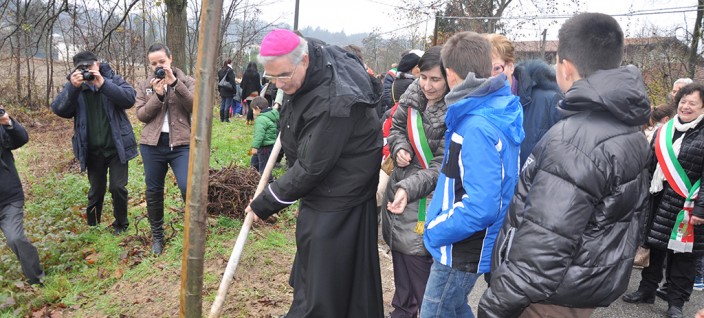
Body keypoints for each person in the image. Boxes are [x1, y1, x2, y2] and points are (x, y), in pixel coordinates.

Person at [479, 13, 652, 318]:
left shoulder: (573, 140)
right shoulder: (627, 126)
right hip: (583, 286)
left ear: (565, 67)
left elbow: (543, 248)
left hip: (548, 298)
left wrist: (494, 305)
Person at [245, 29, 384, 317]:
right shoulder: (315, 60)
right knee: (321, 267)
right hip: (331, 185)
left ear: (304, 60)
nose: (279, 84)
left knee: (326, 274)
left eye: (284, 76)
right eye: (272, 78)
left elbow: (311, 167)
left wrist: (264, 203)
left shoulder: (332, 102)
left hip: (341, 191)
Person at [420, 32, 524, 318]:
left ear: (451, 76)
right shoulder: (488, 108)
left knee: (435, 312)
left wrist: (436, 229)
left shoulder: (476, 125)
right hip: (466, 242)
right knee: (454, 307)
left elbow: (482, 205)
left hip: (460, 245)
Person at [623, 83, 704, 318]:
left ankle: (676, 302)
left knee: (682, 255)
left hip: (688, 204)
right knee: (655, 245)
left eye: (692, 103)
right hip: (658, 197)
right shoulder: (664, 130)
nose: (686, 107)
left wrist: (701, 208)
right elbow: (650, 164)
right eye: (683, 101)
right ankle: (646, 289)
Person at [382, 46, 449, 318]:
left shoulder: (454, 110)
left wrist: (408, 188)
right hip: (401, 187)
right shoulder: (411, 96)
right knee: (399, 254)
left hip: (425, 195)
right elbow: (396, 128)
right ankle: (403, 309)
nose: (428, 85)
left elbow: (441, 164)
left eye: (436, 80)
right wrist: (399, 147)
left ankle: (422, 311)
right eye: (423, 77)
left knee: (418, 260)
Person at [51, 51, 138, 234]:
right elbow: (60, 110)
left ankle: (121, 225)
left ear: (97, 64)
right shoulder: (76, 89)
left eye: (90, 66)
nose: (87, 70)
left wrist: (103, 84)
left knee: (117, 187)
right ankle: (93, 226)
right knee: (96, 191)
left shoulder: (112, 79)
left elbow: (129, 99)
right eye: (82, 68)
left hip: (116, 147)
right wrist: (72, 88)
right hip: (92, 150)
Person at [134, 43, 195, 255]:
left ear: (171, 59)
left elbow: (196, 105)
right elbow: (141, 115)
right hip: (152, 145)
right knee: (153, 191)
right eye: (153, 63)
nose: (158, 66)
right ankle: (157, 237)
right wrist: (157, 96)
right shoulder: (146, 86)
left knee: (188, 187)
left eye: (162, 61)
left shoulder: (187, 81)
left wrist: (175, 84)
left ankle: (193, 231)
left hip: (181, 144)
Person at [486, 34, 563, 166]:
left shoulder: (548, 101)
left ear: (510, 67)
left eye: (497, 68)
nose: (490, 77)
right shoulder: (478, 106)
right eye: (484, 71)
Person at [0, 106, 45, 285]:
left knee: (15, 238)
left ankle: (37, 279)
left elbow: (20, 139)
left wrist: (8, 123)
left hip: (8, 197)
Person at [250, 96, 279, 174]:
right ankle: (253, 175)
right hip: (269, 145)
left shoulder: (261, 119)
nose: (252, 112)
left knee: (264, 166)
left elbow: (259, 135)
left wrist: (255, 147)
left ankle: (268, 181)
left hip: (264, 147)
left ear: (257, 108)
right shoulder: (271, 115)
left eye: (253, 109)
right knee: (255, 162)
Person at [217, 58, 238, 122]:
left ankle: (221, 118)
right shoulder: (230, 71)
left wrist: (219, 89)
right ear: (230, 63)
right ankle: (226, 118)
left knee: (222, 104)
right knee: (227, 105)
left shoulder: (220, 71)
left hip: (222, 90)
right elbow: (232, 82)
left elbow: (220, 81)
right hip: (229, 90)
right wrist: (234, 90)